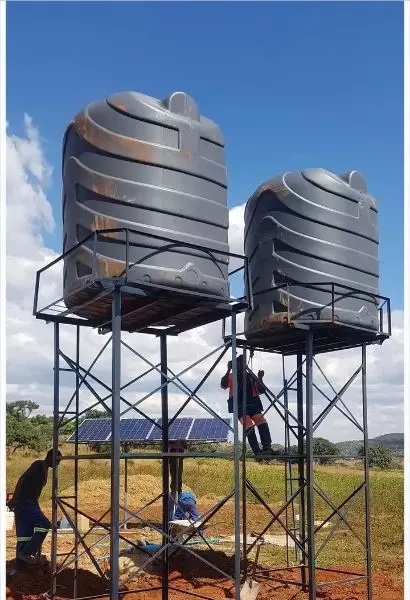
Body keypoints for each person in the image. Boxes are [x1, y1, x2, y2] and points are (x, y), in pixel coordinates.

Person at [8, 449, 62, 568]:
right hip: (24, 503)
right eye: (57, 461)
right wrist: (16, 499)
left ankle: (21, 568)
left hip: (29, 503)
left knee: (25, 534)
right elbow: (22, 480)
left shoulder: (44, 469)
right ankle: (26, 553)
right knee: (44, 525)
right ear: (51, 457)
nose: (58, 464)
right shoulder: (38, 465)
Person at [221, 355, 276, 458]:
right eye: (240, 362)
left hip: (253, 404)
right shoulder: (232, 376)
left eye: (243, 362)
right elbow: (223, 385)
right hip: (239, 405)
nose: (242, 364)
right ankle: (257, 451)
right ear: (236, 364)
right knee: (249, 425)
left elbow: (262, 390)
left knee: (262, 422)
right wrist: (228, 370)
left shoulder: (251, 376)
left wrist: (260, 378)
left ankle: (267, 448)